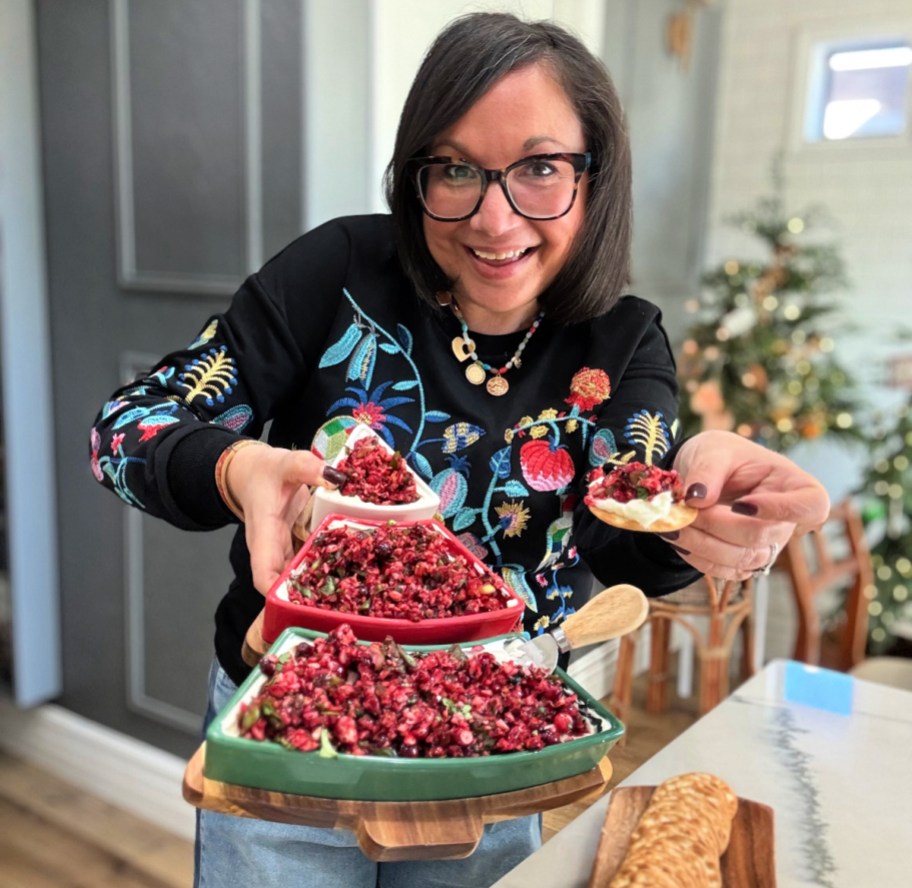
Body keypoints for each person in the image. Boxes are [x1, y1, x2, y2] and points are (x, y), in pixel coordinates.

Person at [90, 12, 829, 888]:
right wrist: (234, 466)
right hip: (294, 728)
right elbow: (126, 428)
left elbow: (623, 534)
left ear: (595, 176)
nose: (493, 216)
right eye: (455, 169)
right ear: (416, 175)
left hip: (495, 742)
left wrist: (699, 511)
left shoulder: (624, 344)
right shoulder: (337, 271)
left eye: (540, 168)